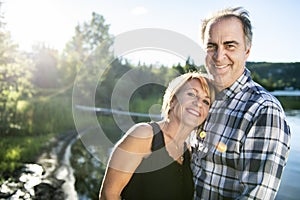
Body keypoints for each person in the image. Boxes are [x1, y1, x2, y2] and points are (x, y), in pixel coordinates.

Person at [191, 7, 291, 199]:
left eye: (230, 46)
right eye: (211, 46)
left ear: (247, 51)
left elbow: (254, 196)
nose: (219, 57)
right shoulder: (201, 99)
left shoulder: (264, 111)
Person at [99, 72, 215, 200]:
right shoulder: (144, 135)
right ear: (172, 101)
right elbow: (108, 195)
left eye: (206, 101)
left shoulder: (188, 152)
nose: (198, 103)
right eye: (191, 94)